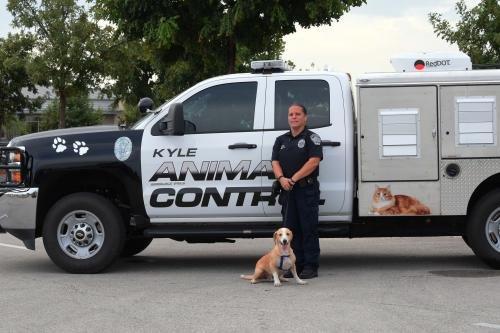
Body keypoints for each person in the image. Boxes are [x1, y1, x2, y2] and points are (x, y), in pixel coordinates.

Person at [271, 103, 323, 279]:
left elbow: (314, 161)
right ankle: (295, 265)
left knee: (308, 228)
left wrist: (293, 178)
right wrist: (281, 179)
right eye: (290, 114)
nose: (293, 117)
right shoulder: (281, 140)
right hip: (287, 190)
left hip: (305, 189)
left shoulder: (311, 138)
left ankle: (310, 266)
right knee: (291, 230)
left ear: (305, 117)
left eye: (297, 114)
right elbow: (275, 162)